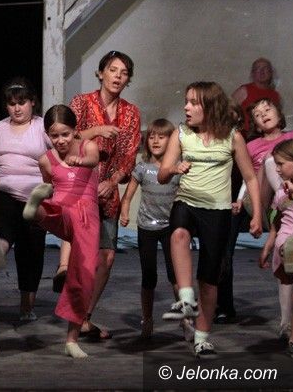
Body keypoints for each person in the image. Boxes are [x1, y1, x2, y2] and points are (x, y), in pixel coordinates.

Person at [157, 81, 262, 358]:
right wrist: (174, 168)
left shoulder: (232, 137)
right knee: (178, 234)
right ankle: (186, 299)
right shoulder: (181, 134)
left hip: (217, 210)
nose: (186, 107)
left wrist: (257, 214)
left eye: (193, 102)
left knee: (209, 280)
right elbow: (162, 174)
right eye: (186, 101)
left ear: (210, 106)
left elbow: (251, 178)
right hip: (187, 201)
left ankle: (202, 338)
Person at [66, 50, 141, 339]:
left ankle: (85, 316)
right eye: (113, 70)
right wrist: (96, 130)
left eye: (124, 73)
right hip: (79, 187)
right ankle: (73, 313)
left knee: (107, 256)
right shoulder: (81, 102)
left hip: (107, 190)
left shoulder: (131, 112)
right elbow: (65, 136)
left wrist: (114, 181)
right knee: (81, 255)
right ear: (100, 73)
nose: (118, 76)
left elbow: (130, 154)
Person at [22, 105, 100, 358]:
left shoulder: (87, 146)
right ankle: (35, 210)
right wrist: (44, 194)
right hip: (62, 210)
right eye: (54, 136)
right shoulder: (46, 159)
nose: (60, 140)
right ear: (47, 135)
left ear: (75, 131)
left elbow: (94, 159)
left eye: (65, 134)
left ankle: (71, 340)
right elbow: (48, 183)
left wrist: (81, 161)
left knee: (83, 276)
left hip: (86, 217)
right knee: (54, 208)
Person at [217, 99, 293, 325]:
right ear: (254, 124)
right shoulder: (253, 146)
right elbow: (249, 177)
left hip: (292, 205)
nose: (263, 114)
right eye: (257, 114)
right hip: (261, 200)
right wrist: (238, 200)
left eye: (267, 109)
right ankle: (223, 306)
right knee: (270, 159)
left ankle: (288, 323)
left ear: (279, 114)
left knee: (287, 259)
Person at [0, 77, 51, 320]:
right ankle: (0, 248)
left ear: (32, 102)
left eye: (22, 103)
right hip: (4, 189)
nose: (17, 108)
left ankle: (26, 307)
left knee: (32, 247)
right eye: (12, 104)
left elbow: (61, 151)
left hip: (35, 192)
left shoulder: (43, 127)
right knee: (4, 212)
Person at [119, 118, 180, 339]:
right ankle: (147, 318)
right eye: (152, 137)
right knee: (149, 276)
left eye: (161, 137)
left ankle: (186, 319)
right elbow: (128, 196)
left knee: (176, 275)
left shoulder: (177, 168)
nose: (155, 141)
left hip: (170, 228)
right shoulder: (142, 168)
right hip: (147, 228)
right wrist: (125, 212)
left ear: (172, 141)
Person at [259, 139, 293, 358]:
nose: (277, 169)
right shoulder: (281, 191)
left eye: (280, 164)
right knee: (287, 241)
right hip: (288, 233)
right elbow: (276, 223)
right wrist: (268, 245)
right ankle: (287, 252)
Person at [232, 58, 281, 136]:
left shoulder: (275, 95)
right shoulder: (244, 90)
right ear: (253, 73)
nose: (262, 71)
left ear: (271, 72)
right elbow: (229, 112)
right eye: (258, 69)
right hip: (246, 135)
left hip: (268, 135)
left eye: (265, 68)